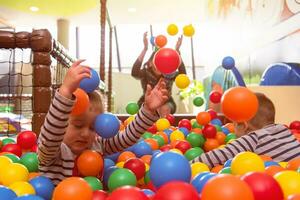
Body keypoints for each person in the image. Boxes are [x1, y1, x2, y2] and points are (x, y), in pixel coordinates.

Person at [38, 60, 169, 185]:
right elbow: (51, 134)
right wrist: (65, 92)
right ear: (62, 122)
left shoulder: (97, 145)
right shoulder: (53, 151)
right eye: (78, 125)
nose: (85, 133)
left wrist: (147, 110)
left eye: (93, 128)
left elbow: (126, 138)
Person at [191, 92, 300, 167]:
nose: (232, 128)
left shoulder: (253, 138)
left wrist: (187, 164)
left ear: (243, 125)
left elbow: (212, 158)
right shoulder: (284, 130)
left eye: (234, 123)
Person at [131, 32, 187, 116]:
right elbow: (134, 73)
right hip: (146, 101)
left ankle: (162, 128)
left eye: (163, 60)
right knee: (151, 109)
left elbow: (183, 76)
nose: (161, 62)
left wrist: (177, 53)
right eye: (157, 60)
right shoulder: (146, 72)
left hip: (167, 102)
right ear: (150, 63)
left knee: (164, 108)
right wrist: (145, 49)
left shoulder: (169, 73)